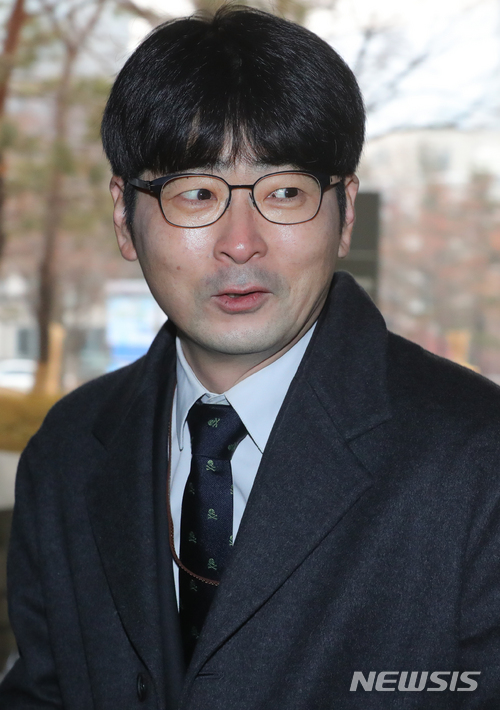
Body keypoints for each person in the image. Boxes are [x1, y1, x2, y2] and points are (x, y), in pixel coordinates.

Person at [2, 5, 500, 709]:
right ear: (123, 217)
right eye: (196, 193)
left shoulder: (478, 458)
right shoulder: (68, 452)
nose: (241, 243)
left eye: (285, 192)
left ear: (346, 213)